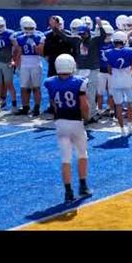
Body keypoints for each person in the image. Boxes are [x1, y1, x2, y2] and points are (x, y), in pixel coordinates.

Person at [44, 54, 91, 203]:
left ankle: (68, 192)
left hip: (60, 123)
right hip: (76, 122)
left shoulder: (50, 82)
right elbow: (84, 104)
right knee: (82, 154)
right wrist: (87, 117)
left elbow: (54, 104)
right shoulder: (79, 82)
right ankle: (83, 186)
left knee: (65, 159)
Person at [70, 18, 106, 123]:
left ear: (88, 32)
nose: (82, 36)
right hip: (80, 69)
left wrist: (100, 26)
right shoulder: (78, 41)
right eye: (81, 34)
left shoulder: (94, 40)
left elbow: (103, 37)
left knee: (91, 93)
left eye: (84, 34)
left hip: (92, 69)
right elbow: (66, 37)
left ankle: (92, 114)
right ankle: (82, 113)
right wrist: (56, 28)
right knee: (79, 93)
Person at [103, 31, 132, 136]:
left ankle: (122, 128)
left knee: (118, 105)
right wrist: (129, 74)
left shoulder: (108, 52)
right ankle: (130, 125)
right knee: (129, 103)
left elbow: (109, 70)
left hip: (115, 81)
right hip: (127, 80)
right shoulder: (130, 51)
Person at [12, 17, 46, 117]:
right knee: (24, 87)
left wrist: (34, 45)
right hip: (24, 63)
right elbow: (18, 52)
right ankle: (25, 107)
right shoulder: (19, 37)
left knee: (36, 87)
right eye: (27, 28)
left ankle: (37, 107)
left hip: (35, 62)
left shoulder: (39, 36)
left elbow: (41, 52)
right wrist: (17, 65)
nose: (29, 30)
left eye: (31, 28)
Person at [0, 16, 18, 114]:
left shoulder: (10, 33)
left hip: (7, 62)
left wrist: (14, 60)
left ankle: (14, 106)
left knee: (9, 84)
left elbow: (17, 48)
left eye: (1, 26)